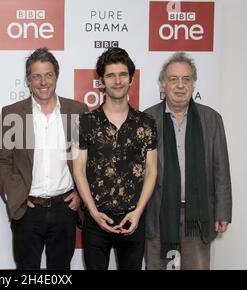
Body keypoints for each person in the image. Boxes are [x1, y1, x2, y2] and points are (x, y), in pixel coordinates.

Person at [0, 48, 88, 270]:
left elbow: (90, 160)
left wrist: (80, 195)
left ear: (56, 76)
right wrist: (15, 196)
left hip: (65, 209)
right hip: (28, 210)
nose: (43, 81)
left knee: (61, 271)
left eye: (48, 75)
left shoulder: (78, 110)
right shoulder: (13, 114)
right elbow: (3, 162)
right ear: (28, 80)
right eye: (36, 76)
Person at [144, 52, 232, 270]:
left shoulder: (211, 119)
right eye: (173, 79)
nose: (180, 85)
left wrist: (223, 211)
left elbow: (221, 169)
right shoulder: (147, 119)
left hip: (197, 215)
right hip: (158, 213)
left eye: (186, 79)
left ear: (193, 84)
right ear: (163, 84)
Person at [72, 47, 158, 270]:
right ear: (101, 81)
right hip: (95, 219)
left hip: (133, 219)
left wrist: (138, 212)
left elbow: (151, 170)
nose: (117, 80)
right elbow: (78, 169)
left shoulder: (146, 123)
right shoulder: (85, 122)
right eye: (110, 75)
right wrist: (92, 211)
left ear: (131, 78)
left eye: (122, 74)